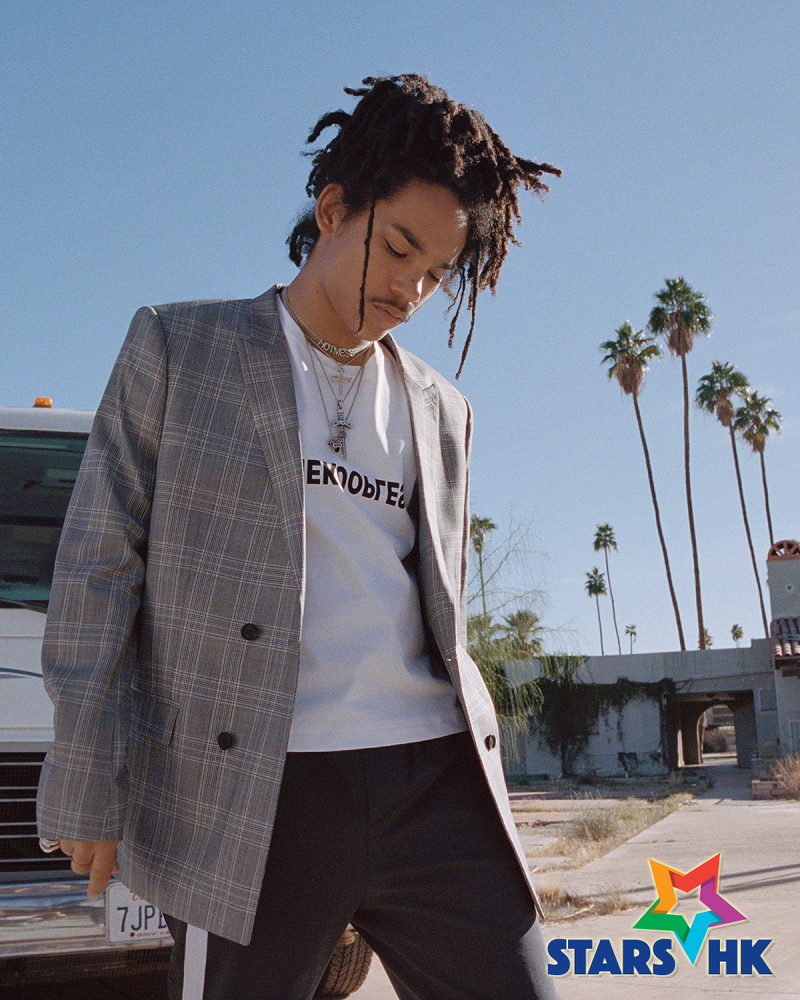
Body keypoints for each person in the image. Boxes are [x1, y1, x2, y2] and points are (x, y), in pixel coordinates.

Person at [37, 74, 562, 999]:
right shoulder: (180, 348)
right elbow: (98, 564)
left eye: (437, 273)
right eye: (398, 249)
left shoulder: (443, 409)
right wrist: (85, 772)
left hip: (433, 777)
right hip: (255, 786)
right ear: (333, 209)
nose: (410, 289)